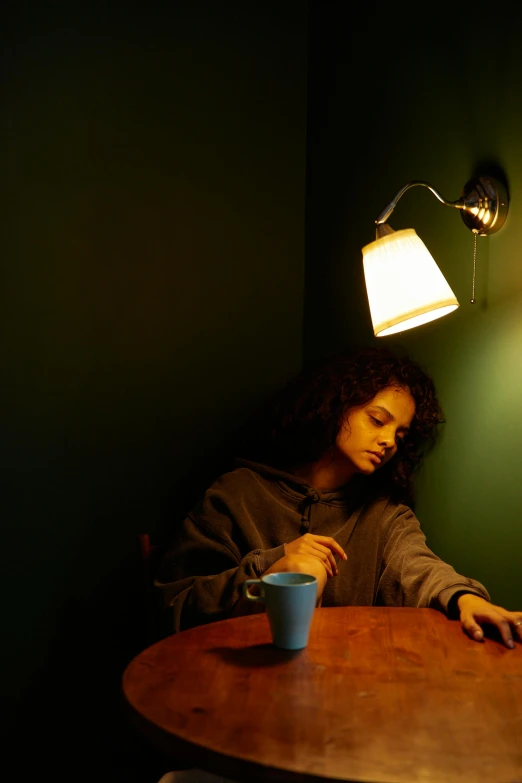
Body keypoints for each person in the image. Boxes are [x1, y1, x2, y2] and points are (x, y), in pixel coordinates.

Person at [155, 345, 522, 649]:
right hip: (231, 684)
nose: (389, 441)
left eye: (401, 434)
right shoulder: (238, 493)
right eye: (378, 420)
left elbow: (420, 568)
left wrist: (466, 599)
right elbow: (173, 606)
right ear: (336, 406)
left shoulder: (383, 514)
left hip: (344, 689)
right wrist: (273, 566)